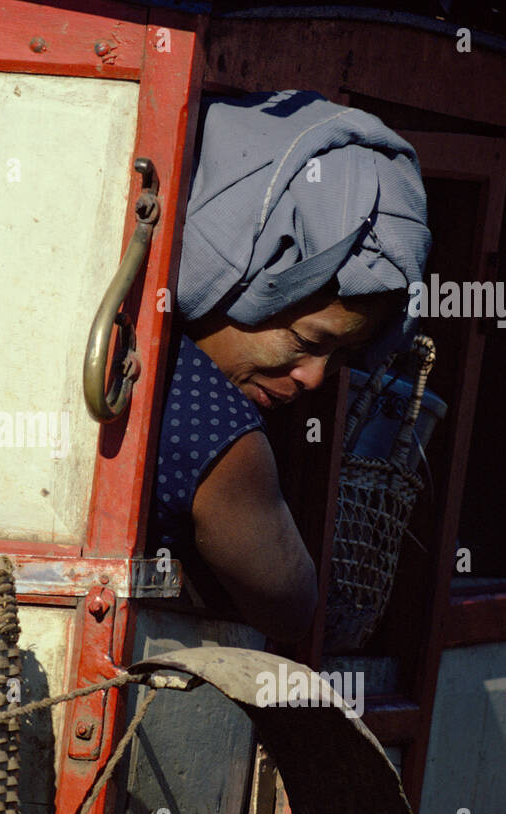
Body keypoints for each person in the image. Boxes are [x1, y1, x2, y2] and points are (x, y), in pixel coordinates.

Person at [149, 90, 432, 645]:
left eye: (340, 357)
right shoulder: (215, 430)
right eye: (304, 340)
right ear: (234, 277)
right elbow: (294, 606)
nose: (314, 379)